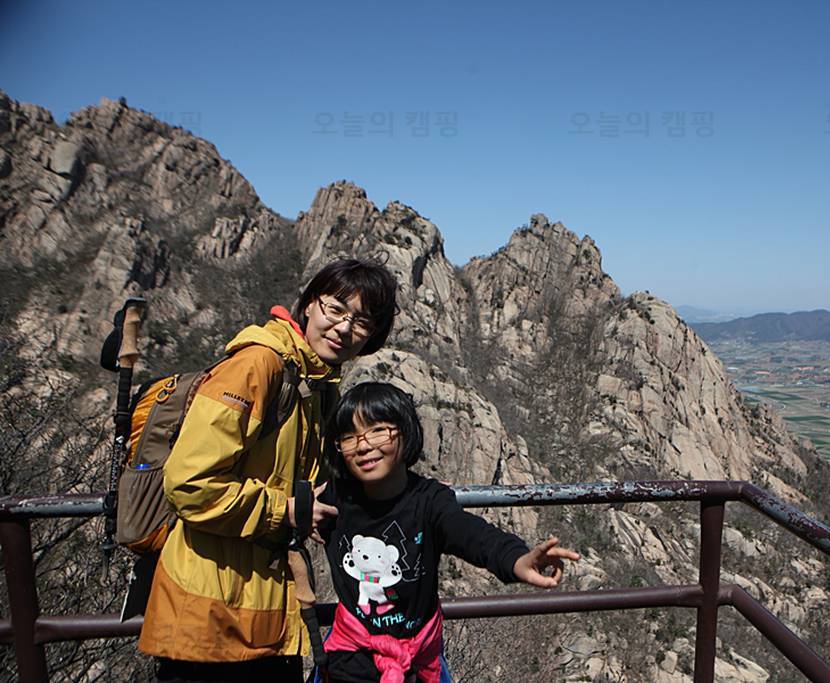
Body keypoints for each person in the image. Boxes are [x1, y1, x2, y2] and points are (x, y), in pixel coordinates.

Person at [137, 259, 398, 682]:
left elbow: (311, 482)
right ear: (310, 305)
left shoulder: (315, 384)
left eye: (362, 321)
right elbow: (189, 484)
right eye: (335, 309)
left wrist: (410, 491)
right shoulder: (259, 366)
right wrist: (287, 511)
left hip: (266, 615)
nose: (344, 328)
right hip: (208, 622)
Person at [318, 382, 580, 682]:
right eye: (349, 437)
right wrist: (298, 511)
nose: (363, 446)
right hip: (352, 655)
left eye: (378, 430)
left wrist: (516, 559)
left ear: (405, 431)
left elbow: (472, 534)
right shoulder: (334, 499)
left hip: (418, 657)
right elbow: (291, 516)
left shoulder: (429, 501)